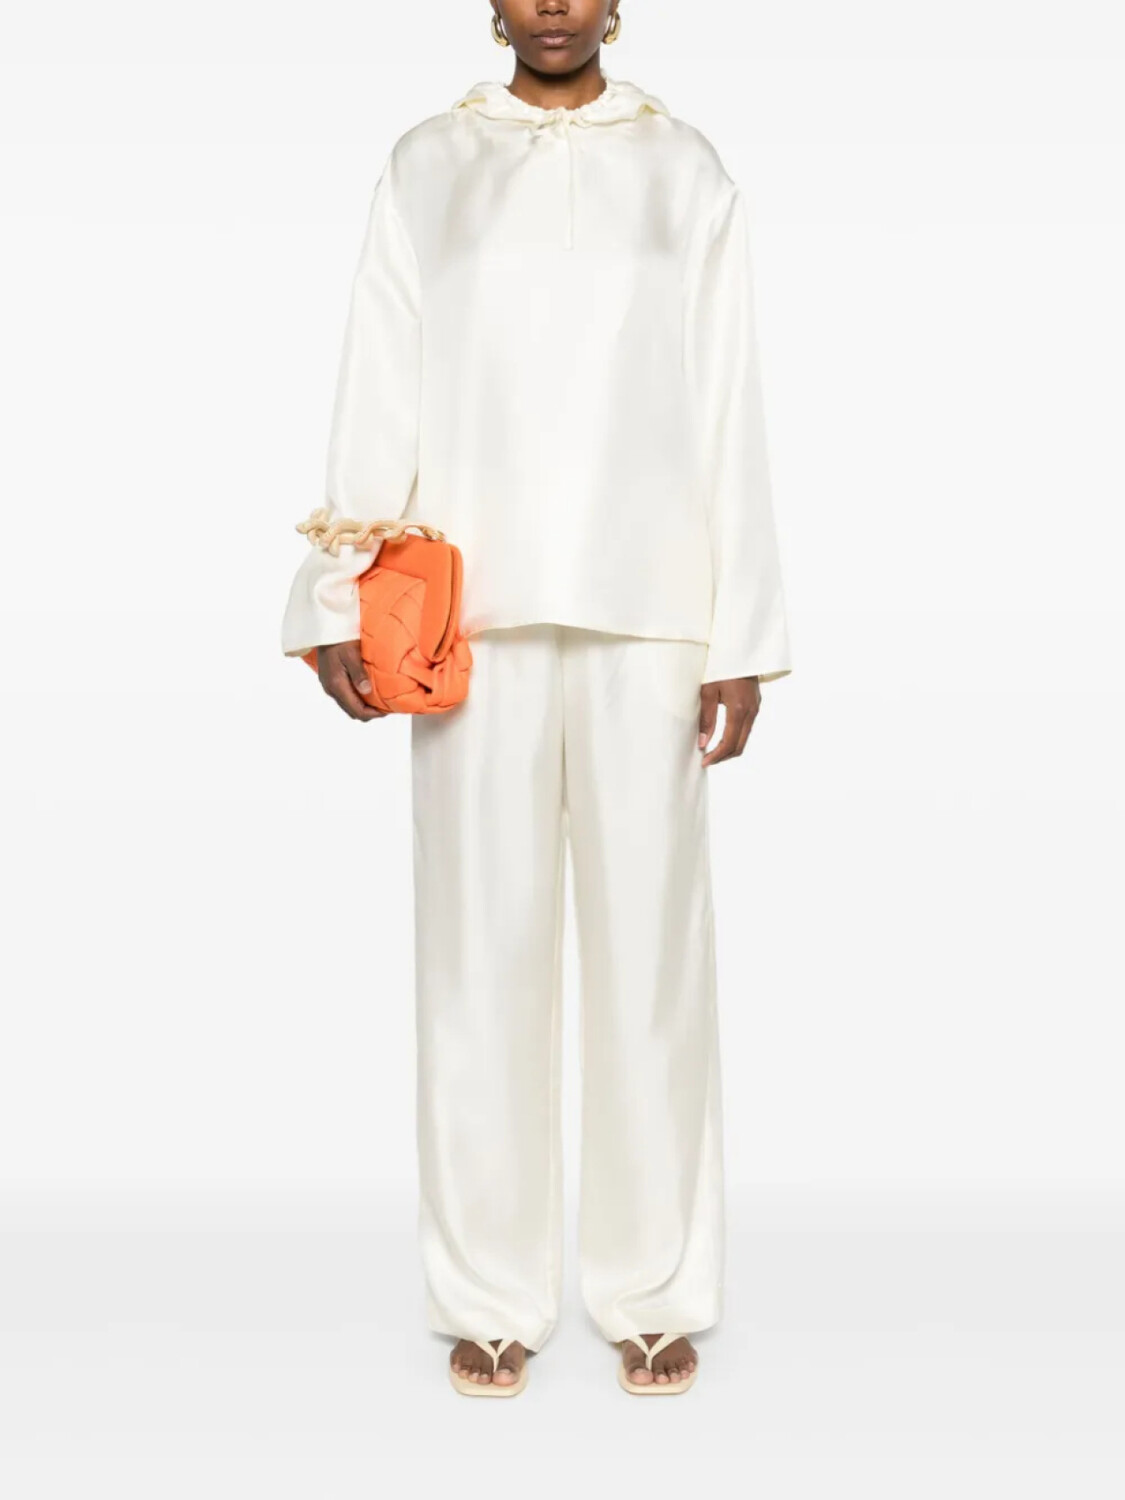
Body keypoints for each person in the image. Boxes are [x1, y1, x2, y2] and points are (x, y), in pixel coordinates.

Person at [280, 0, 791, 1396]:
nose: (552, 6)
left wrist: (740, 632)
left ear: (617, 4)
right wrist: (335, 596)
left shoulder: (682, 166)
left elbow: (727, 400)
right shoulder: (427, 162)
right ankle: (489, 1292)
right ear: (492, 4)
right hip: (470, 615)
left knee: (653, 963)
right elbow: (378, 383)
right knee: (476, 954)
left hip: (651, 606)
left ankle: (653, 1289)